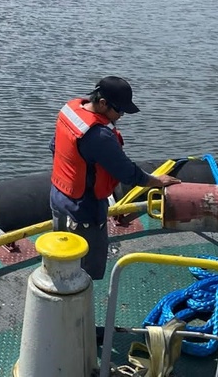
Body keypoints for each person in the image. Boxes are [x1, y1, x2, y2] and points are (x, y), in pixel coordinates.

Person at [50, 76, 180, 281]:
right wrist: (157, 181)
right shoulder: (99, 136)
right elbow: (127, 172)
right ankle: (78, 307)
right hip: (85, 211)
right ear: (103, 104)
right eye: (119, 111)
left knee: (62, 259)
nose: (121, 116)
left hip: (58, 198)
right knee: (86, 271)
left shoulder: (71, 112)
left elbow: (54, 147)